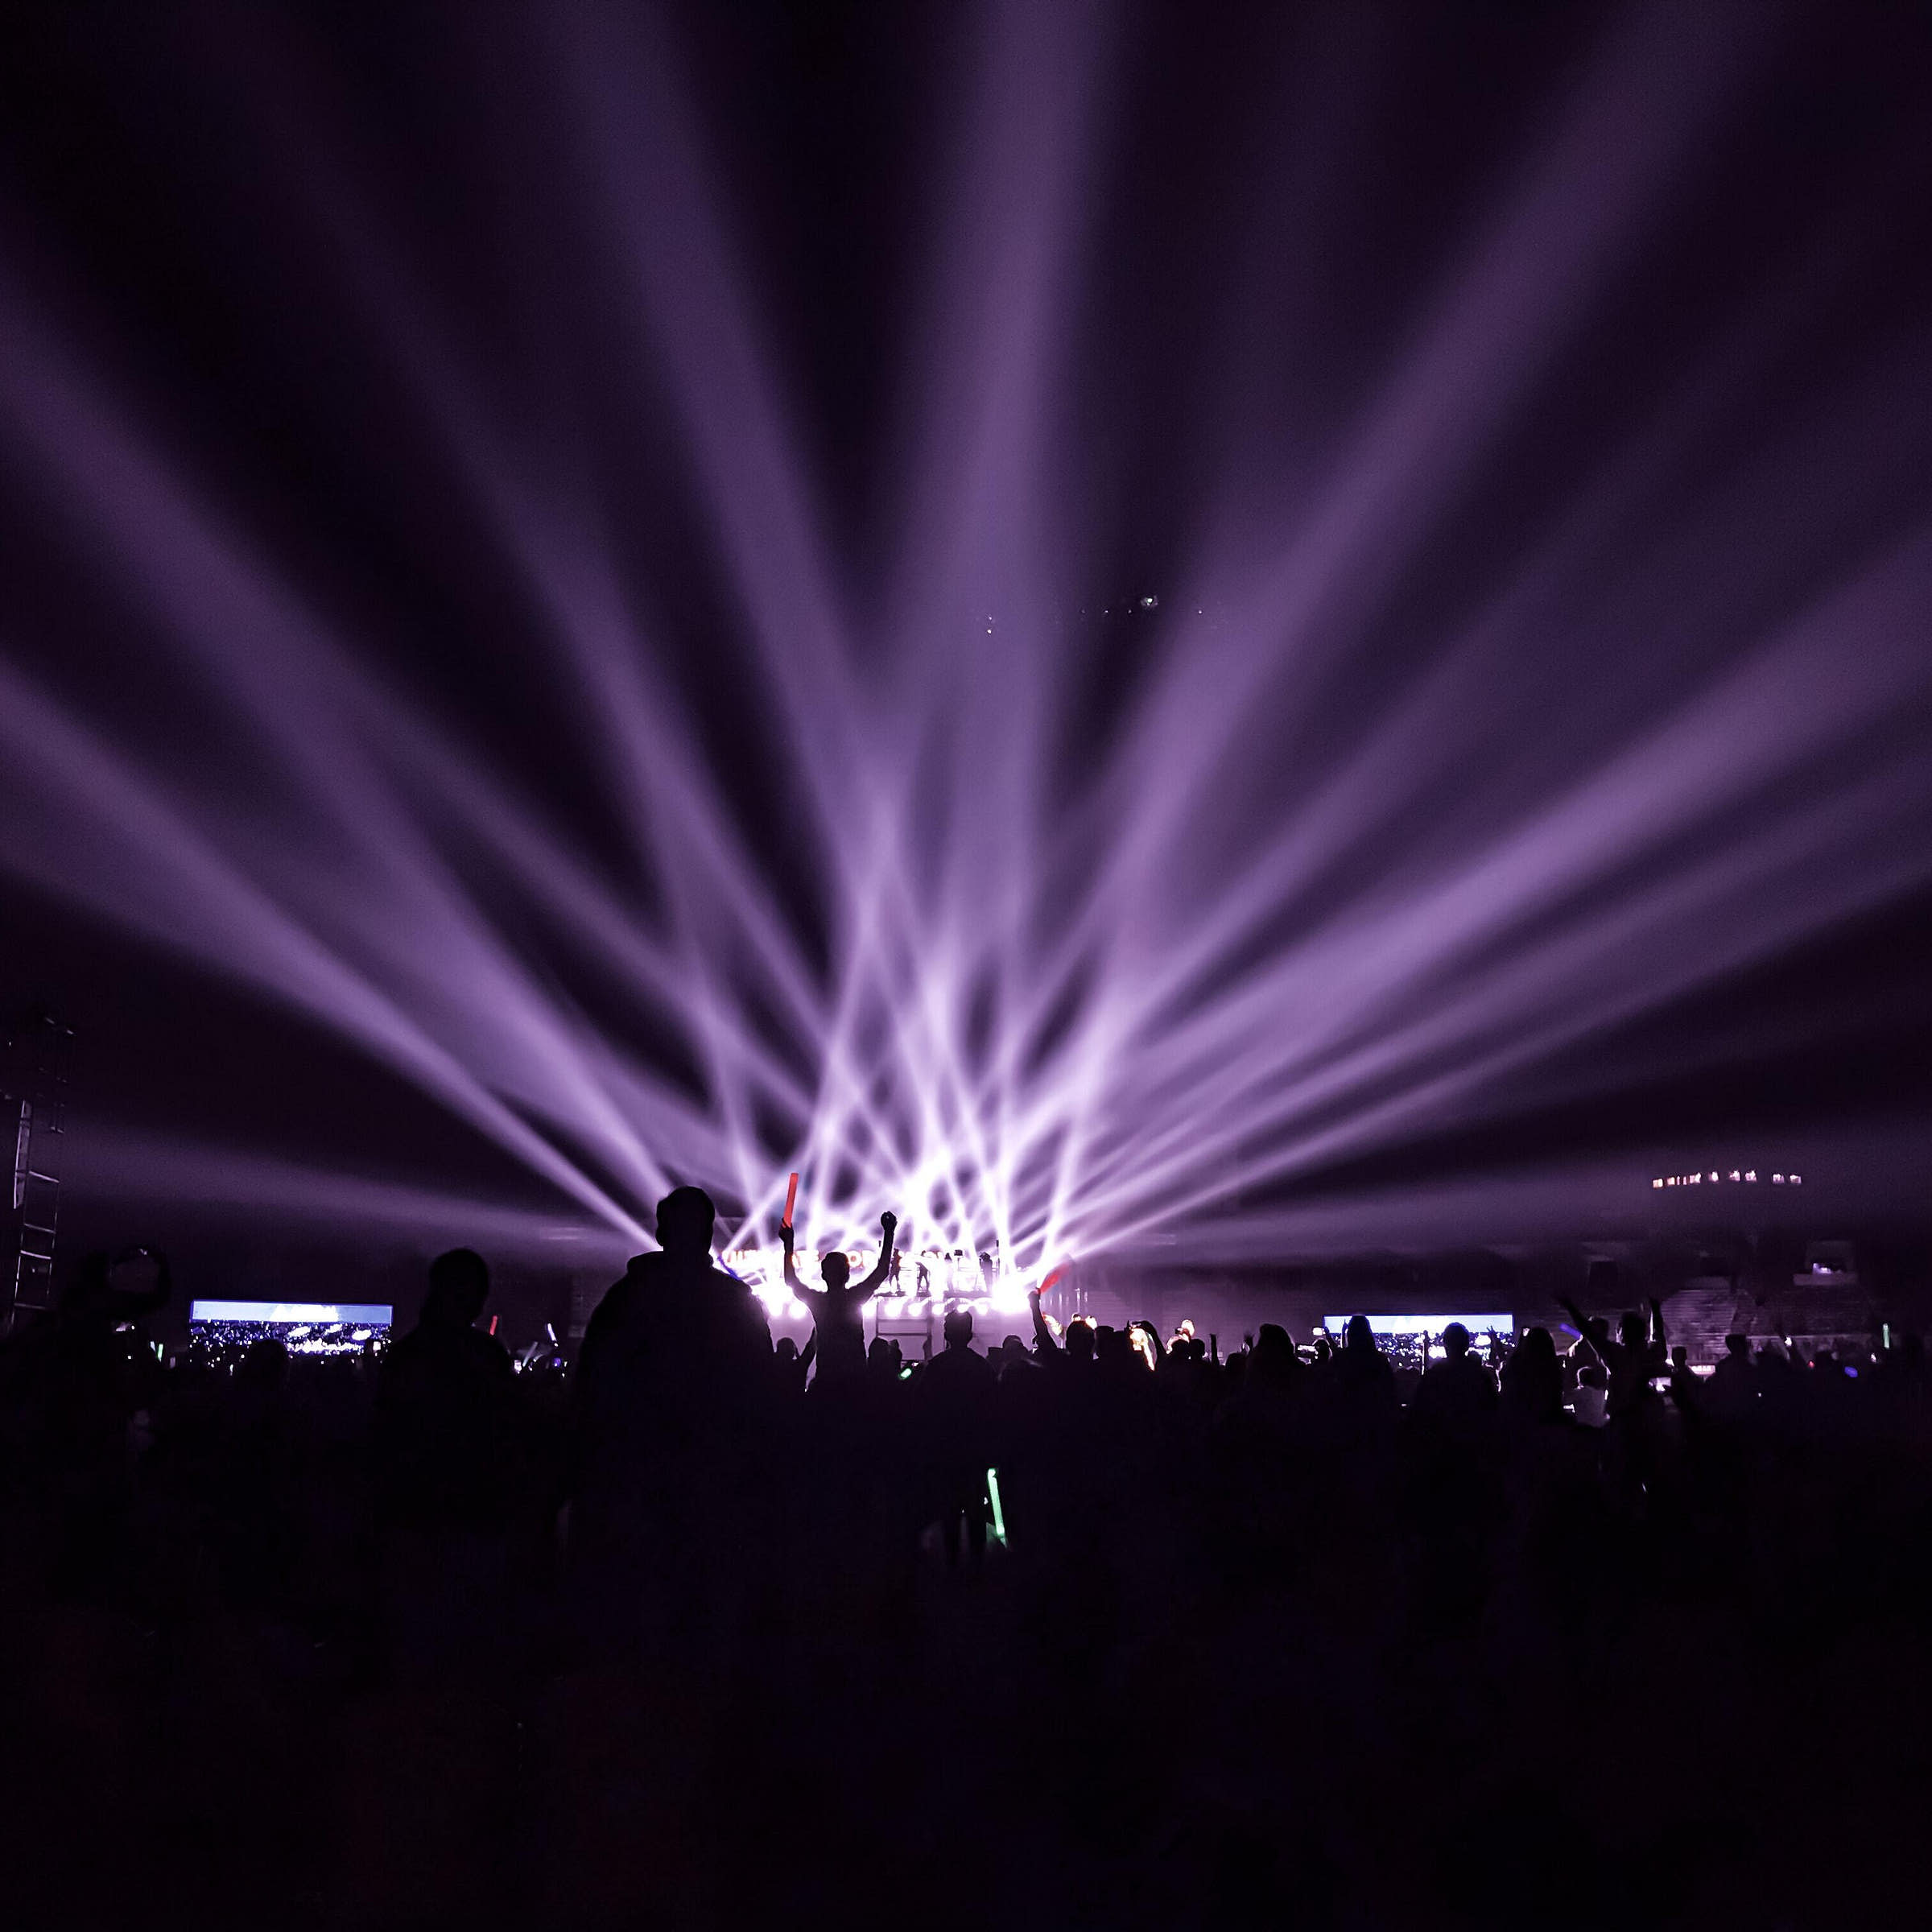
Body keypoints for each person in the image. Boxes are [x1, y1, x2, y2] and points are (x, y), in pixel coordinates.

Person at [915, 1307, 996, 1567]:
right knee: (975, 1510)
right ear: (970, 1335)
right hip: (974, 1450)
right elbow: (992, 1411)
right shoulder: (982, 1368)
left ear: (947, 1333)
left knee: (948, 1511)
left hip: (945, 1450)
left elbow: (923, 1409)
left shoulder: (936, 1368)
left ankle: (951, 1564)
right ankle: (977, 1567)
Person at [782, 1210, 897, 1385]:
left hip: (827, 1378)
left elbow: (791, 1280)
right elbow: (882, 1271)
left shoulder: (819, 1302)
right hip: (855, 1379)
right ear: (847, 1275)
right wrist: (889, 1233)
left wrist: (788, 1246)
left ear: (823, 1275)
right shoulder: (854, 1297)